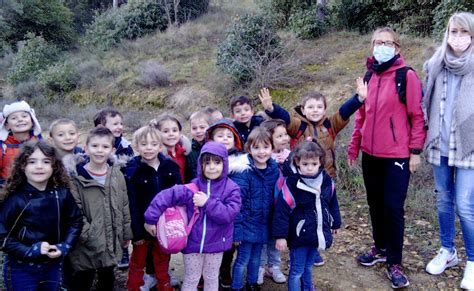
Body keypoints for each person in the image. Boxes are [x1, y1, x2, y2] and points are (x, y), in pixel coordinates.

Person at [347, 27, 426, 288]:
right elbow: (361, 116)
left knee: (393, 208)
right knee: (375, 204)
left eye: (387, 42)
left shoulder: (407, 76)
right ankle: (379, 247)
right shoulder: (369, 75)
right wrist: (354, 146)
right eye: (377, 42)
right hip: (370, 154)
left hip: (397, 156)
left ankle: (394, 261)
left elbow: (417, 117)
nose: (381, 46)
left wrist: (415, 152)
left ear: (397, 47)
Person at [144, 141, 241, 291]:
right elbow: (166, 196)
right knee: (191, 278)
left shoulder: (231, 188)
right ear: (200, 164)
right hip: (192, 244)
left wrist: (207, 203)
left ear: (225, 163)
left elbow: (228, 215)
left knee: (211, 278)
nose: (212, 167)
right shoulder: (192, 187)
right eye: (207, 162)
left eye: (217, 162)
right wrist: (151, 218)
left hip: (216, 245)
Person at [422, 12, 474, 290]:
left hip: (469, 145)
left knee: (466, 207)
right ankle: (447, 251)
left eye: (464, 33)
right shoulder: (436, 64)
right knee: (444, 200)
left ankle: (473, 263)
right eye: (453, 32)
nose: (458, 38)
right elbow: (424, 101)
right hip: (439, 142)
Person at [0, 140, 83, 290]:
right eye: (32, 162)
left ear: (54, 166)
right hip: (21, 269)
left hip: (53, 266)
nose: (39, 166)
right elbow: (2, 236)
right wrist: (29, 251)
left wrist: (65, 245)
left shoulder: (62, 193)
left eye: (46, 161)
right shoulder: (14, 198)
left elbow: (75, 221)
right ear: (22, 166)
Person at [68, 126, 132, 290]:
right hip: (86, 244)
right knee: (83, 281)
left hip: (111, 242)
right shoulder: (77, 179)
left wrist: (125, 233)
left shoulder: (116, 175)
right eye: (95, 146)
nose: (99, 151)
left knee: (107, 279)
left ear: (112, 150)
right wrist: (88, 235)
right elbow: (75, 212)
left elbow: (124, 204)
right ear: (86, 148)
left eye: (105, 147)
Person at [273, 141, 341, 291]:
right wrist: (280, 236)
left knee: (309, 266)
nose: (309, 168)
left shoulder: (326, 180)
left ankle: (308, 287)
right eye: (305, 164)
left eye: (313, 163)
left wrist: (336, 223)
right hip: (299, 235)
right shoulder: (292, 183)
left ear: (320, 162)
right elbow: (282, 211)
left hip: (317, 233)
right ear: (297, 162)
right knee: (297, 270)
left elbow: (333, 202)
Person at [123, 125, 182, 291]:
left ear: (160, 146)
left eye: (153, 144)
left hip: (164, 225)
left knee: (162, 258)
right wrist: (137, 232)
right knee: (138, 260)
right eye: (144, 144)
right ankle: (134, 286)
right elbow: (132, 203)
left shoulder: (170, 167)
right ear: (136, 146)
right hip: (142, 226)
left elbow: (178, 196)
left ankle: (163, 284)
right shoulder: (132, 171)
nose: (149, 148)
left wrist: (174, 224)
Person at [260, 88, 364, 178]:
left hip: (327, 176)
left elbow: (344, 112)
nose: (315, 110)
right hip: (301, 176)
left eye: (319, 107)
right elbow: (286, 118)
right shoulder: (298, 126)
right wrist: (272, 109)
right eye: (310, 107)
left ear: (324, 110)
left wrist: (358, 99)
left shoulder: (330, 125)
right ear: (303, 110)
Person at [230, 127, 280, 291]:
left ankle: (252, 283)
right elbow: (236, 203)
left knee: (256, 258)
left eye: (265, 147)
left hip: (263, 224)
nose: (261, 152)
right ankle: (237, 286)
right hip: (246, 225)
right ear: (249, 148)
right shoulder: (243, 171)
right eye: (256, 147)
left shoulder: (274, 170)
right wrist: (236, 230)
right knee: (243, 259)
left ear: (272, 148)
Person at [204, 118, 244, 288]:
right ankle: (206, 274)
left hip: (231, 214)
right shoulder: (205, 161)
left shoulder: (242, 165)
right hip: (209, 211)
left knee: (228, 246)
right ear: (211, 139)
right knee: (209, 244)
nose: (226, 138)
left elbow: (243, 198)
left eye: (230, 135)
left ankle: (225, 269)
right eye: (220, 135)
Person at [256, 119, 290, 285]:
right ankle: (260, 266)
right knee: (263, 237)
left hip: (281, 206)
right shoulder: (263, 158)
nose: (285, 138)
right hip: (265, 203)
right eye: (279, 136)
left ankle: (274, 265)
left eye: (285, 134)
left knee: (277, 235)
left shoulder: (290, 157)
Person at [0, 101, 42, 186]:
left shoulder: (40, 142)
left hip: (36, 186)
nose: (20, 120)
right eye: (14, 118)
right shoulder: (3, 146)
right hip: (7, 187)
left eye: (24, 116)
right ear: (7, 125)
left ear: (32, 120)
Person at [150, 115, 191, 182]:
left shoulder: (184, 152)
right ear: (157, 134)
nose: (171, 134)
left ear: (180, 133)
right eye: (166, 131)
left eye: (174, 130)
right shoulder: (157, 157)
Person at [186, 110, 212, 182]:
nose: (198, 131)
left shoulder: (213, 147)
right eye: (194, 128)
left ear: (209, 127)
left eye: (202, 127)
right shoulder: (188, 149)